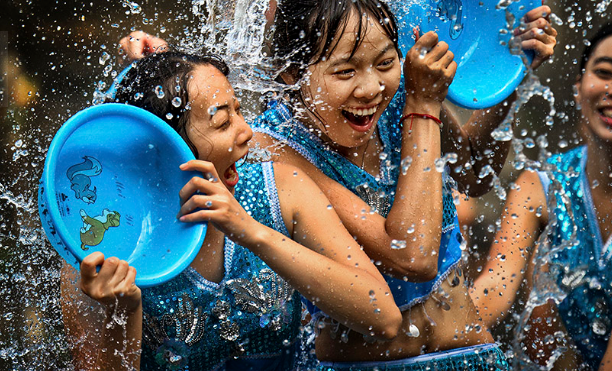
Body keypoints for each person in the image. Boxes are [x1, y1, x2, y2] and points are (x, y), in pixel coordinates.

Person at [246, 0, 556, 370]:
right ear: (291, 76)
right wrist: (424, 106)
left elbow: (475, 176)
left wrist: (511, 71)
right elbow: (412, 256)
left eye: (385, 62)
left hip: (472, 356)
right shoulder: (274, 147)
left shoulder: (399, 99)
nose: (371, 88)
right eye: (345, 71)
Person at [60, 51, 402, 371]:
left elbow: (383, 316)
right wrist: (122, 312)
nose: (247, 132)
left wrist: (251, 232)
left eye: (239, 110)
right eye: (223, 122)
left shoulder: (281, 189)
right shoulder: (100, 247)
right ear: (162, 150)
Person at [471, 18, 612, 369]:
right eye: (604, 72)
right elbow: (496, 286)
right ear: (578, 87)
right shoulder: (540, 183)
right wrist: (425, 335)